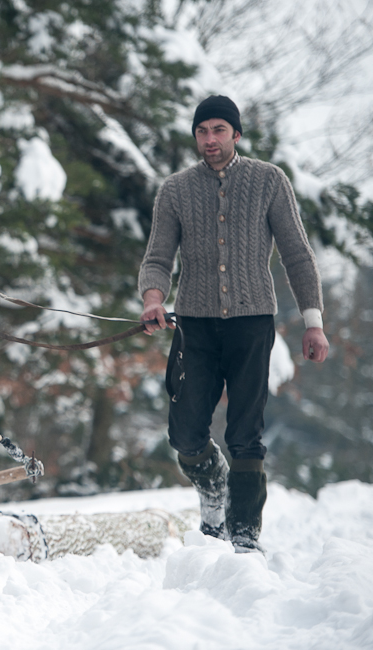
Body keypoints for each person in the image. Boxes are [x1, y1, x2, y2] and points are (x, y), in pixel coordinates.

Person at [138, 95, 329, 553]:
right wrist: (152, 299)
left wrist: (314, 322)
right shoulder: (176, 190)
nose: (210, 140)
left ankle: (243, 536)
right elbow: (158, 257)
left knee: (246, 433)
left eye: (219, 130)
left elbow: (298, 255)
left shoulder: (268, 181)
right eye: (202, 132)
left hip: (251, 324)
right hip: (195, 327)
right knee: (185, 432)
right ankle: (212, 486)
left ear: (236, 134)